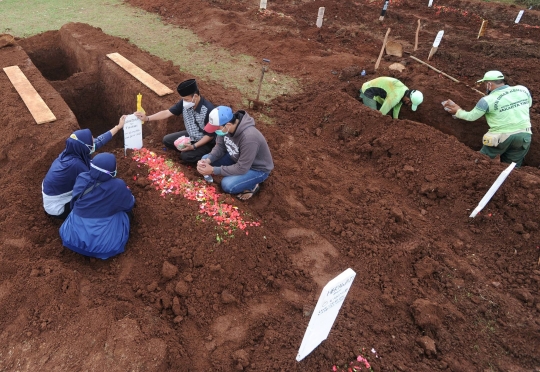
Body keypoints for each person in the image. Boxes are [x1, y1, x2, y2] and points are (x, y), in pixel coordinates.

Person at [42, 116, 126, 219]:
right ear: (84, 146)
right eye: (91, 141)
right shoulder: (76, 165)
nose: (94, 142)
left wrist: (118, 127)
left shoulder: (73, 150)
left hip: (54, 194)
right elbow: (95, 184)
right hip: (58, 207)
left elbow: (98, 142)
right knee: (94, 198)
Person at [443, 70, 533, 167]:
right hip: (524, 136)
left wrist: (458, 111)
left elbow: (471, 117)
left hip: (501, 137)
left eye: (485, 84)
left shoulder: (487, 100)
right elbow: (529, 104)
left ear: (489, 84)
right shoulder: (523, 89)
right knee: (511, 168)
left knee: (480, 162)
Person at [59, 153, 135, 260]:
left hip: (71, 237)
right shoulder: (118, 186)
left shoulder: (82, 178)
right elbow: (129, 204)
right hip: (103, 247)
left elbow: (74, 202)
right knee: (124, 214)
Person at [197, 106, 274, 200]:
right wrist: (209, 159)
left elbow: (242, 168)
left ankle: (252, 186)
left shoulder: (249, 137)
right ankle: (237, 175)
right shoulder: (225, 129)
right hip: (236, 157)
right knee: (205, 158)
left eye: (216, 128)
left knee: (227, 185)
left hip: (256, 168)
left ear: (228, 125)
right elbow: (220, 147)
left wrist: (213, 170)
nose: (215, 131)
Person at [135, 79, 216, 163]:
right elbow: (167, 113)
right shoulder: (185, 103)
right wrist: (147, 118)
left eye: (186, 99)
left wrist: (193, 147)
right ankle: (189, 150)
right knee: (167, 140)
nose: (184, 102)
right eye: (183, 99)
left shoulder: (208, 110)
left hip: (205, 141)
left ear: (195, 96)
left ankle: (207, 156)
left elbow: (210, 136)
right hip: (191, 135)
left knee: (186, 156)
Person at [359, 77, 423, 119]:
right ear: (408, 98)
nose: (408, 105)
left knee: (381, 110)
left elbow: (396, 107)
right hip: (368, 91)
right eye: (410, 103)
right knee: (374, 116)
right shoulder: (395, 97)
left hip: (377, 91)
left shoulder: (405, 91)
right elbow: (381, 114)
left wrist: (396, 121)